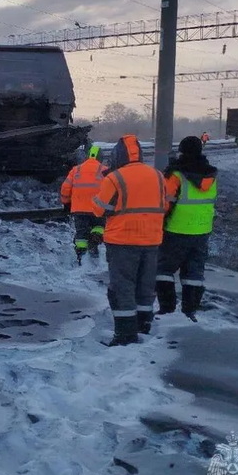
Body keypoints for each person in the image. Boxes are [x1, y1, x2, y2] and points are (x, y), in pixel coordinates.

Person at [91, 134, 168, 346]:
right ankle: (143, 325)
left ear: (118, 155)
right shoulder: (158, 176)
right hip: (152, 240)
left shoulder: (114, 178)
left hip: (122, 241)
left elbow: (98, 209)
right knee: (145, 285)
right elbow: (165, 205)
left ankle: (125, 334)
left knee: (122, 287)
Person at [156, 136, 218, 322]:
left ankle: (167, 310)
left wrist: (158, 223)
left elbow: (165, 204)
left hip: (176, 229)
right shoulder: (211, 176)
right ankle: (189, 311)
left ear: (182, 151)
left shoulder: (176, 175)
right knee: (194, 272)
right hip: (202, 231)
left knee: (163, 270)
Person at [60, 144, 106, 265]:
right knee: (99, 228)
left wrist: (66, 203)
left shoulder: (76, 170)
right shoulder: (105, 170)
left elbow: (65, 188)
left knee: (81, 233)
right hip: (98, 209)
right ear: (100, 157)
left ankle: (81, 257)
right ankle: (94, 242)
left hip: (79, 209)